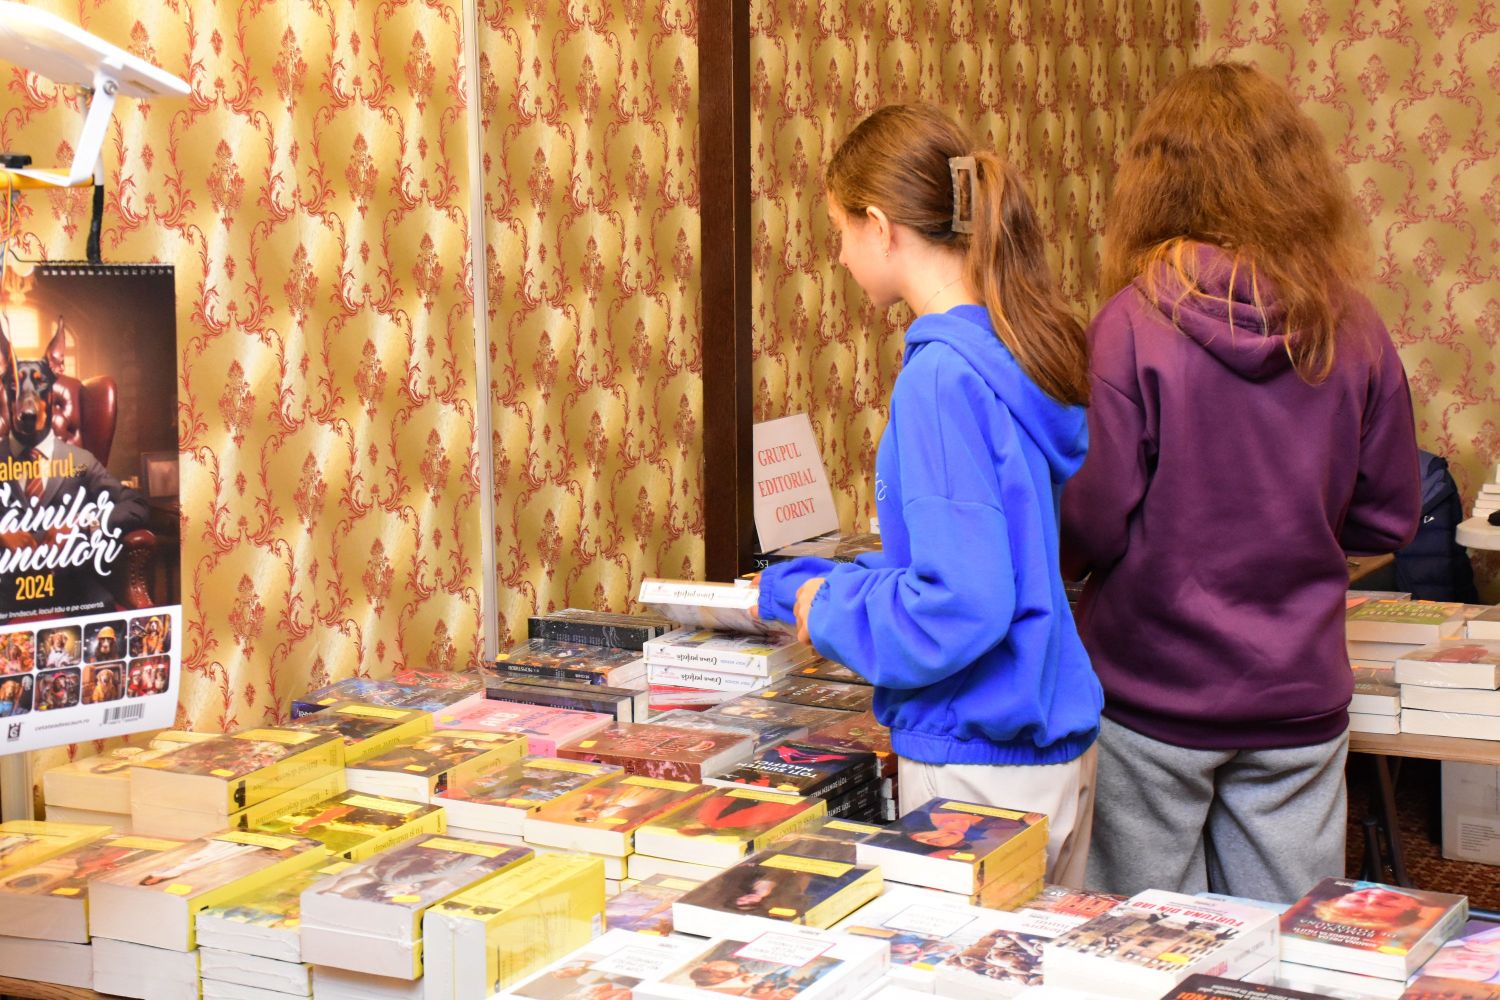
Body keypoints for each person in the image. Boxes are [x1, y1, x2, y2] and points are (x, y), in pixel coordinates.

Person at [1059, 62, 1422, 902]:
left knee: (1144, 946)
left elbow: (1092, 524)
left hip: (1152, 694)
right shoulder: (1354, 325)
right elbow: (1388, 516)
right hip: (1298, 694)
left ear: (1154, 182)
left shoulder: (1129, 325)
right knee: (1288, 944)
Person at [754, 103, 1101, 886]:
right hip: (1047, 743)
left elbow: (962, 604)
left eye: (841, 230)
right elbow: (990, 556)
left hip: (978, 762)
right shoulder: (1008, 347)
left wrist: (825, 610)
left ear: (880, 227)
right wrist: (850, 582)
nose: (840, 255)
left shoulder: (940, 378)